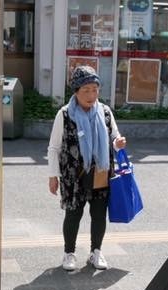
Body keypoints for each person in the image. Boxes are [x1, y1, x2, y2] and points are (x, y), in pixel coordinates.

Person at [47, 65, 126, 271]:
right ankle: (69, 253)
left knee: (99, 214)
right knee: (73, 214)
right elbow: (54, 148)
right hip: (73, 175)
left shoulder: (105, 112)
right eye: (86, 90)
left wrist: (118, 142)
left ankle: (96, 252)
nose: (91, 95)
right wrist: (52, 175)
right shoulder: (64, 115)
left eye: (94, 89)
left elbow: (114, 137)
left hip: (100, 172)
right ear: (76, 91)